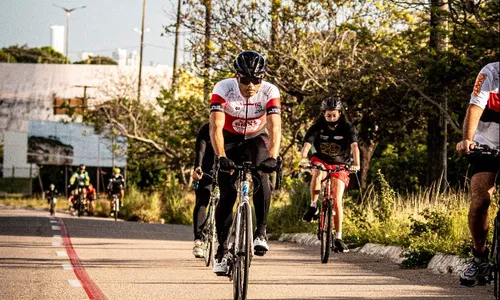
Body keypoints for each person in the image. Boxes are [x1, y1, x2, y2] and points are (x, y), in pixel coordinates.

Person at [210, 50, 282, 274]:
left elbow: (274, 127)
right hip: (229, 140)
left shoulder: (270, 91)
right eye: (245, 79)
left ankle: (260, 232)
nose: (251, 85)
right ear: (236, 76)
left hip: (254, 139)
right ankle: (222, 249)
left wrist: (273, 156)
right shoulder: (223, 88)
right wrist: (221, 157)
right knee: (228, 194)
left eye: (256, 79)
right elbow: (215, 127)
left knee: (262, 176)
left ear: (262, 78)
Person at [456, 62, 499, 287]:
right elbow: (475, 107)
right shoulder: (490, 73)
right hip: (487, 145)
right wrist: (468, 139)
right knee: (481, 198)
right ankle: (479, 256)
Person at [299, 96, 360, 253]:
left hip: (341, 163)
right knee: (317, 173)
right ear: (323, 114)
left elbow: (354, 147)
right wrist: (303, 158)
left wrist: (356, 164)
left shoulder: (348, 127)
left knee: (337, 199)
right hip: (321, 160)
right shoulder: (317, 126)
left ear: (340, 113)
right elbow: (307, 144)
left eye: (334, 115)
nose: (331, 118)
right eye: (328, 115)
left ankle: (338, 237)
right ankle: (313, 206)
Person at [192, 123, 215, 258]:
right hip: (206, 170)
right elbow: (200, 150)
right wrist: (198, 167)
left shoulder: (234, 128)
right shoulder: (207, 129)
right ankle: (198, 240)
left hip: (225, 170)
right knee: (202, 201)